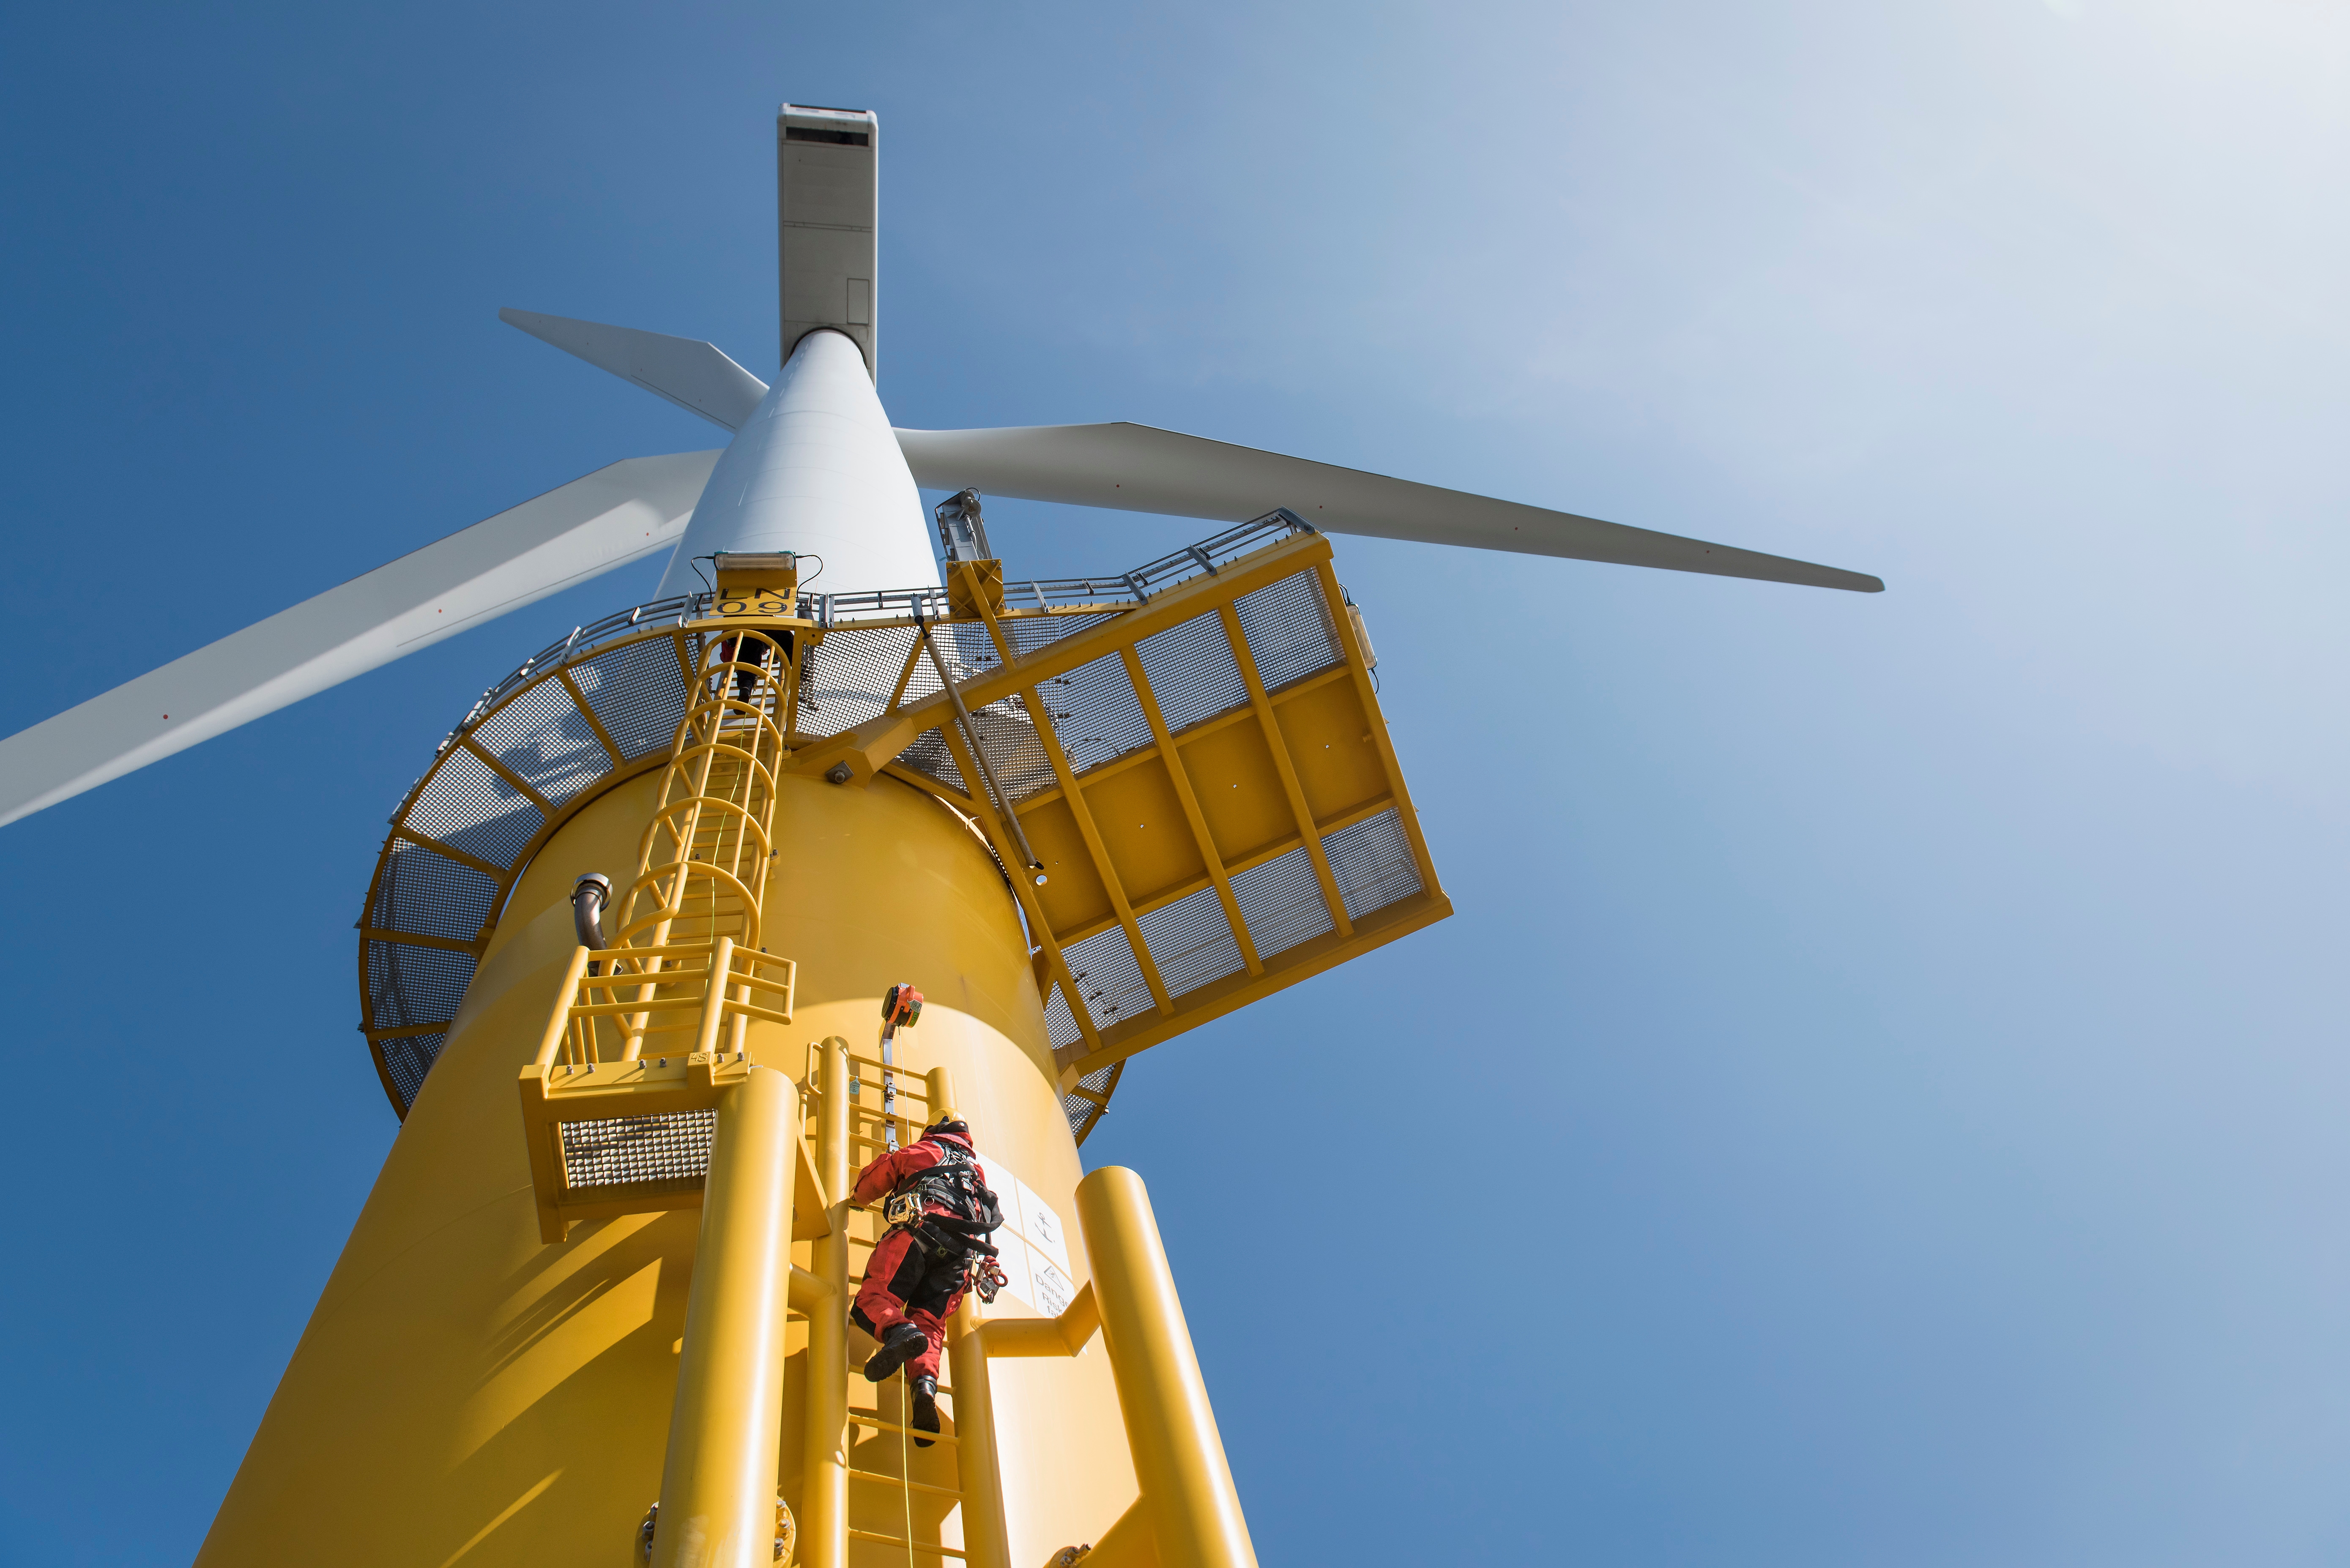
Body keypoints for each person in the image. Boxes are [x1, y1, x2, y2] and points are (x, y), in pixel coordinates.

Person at [849, 1116, 1004, 1445]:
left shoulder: (926, 1149)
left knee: (872, 1301)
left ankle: (899, 1331)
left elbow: (876, 1180)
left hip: (920, 1231)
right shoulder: (976, 1176)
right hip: (961, 1258)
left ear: (934, 1133)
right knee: (930, 1325)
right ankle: (924, 1388)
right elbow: (987, 1221)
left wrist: (856, 1198)